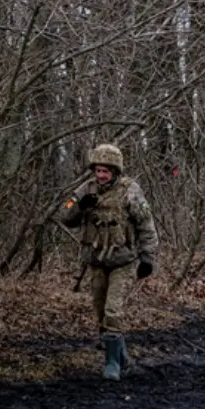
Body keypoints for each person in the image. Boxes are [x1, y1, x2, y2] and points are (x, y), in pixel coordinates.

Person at [60, 143, 158, 381]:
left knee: (113, 310)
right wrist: (80, 208)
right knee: (100, 310)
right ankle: (121, 354)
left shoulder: (130, 191)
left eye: (106, 171)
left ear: (115, 171)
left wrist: (148, 257)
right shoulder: (86, 189)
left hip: (123, 260)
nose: (101, 175)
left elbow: (146, 225)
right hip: (96, 260)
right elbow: (65, 215)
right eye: (98, 170)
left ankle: (112, 364)